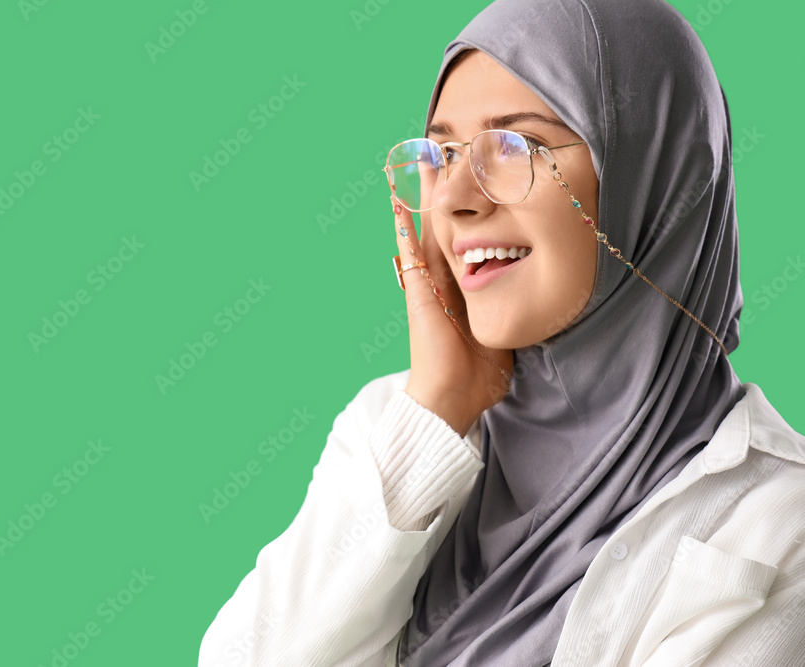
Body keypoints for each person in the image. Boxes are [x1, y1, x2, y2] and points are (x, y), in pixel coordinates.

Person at [198, 0, 805, 664]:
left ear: (654, 174)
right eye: (443, 153)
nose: (453, 198)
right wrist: (437, 406)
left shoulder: (782, 523)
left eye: (516, 147)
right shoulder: (398, 424)